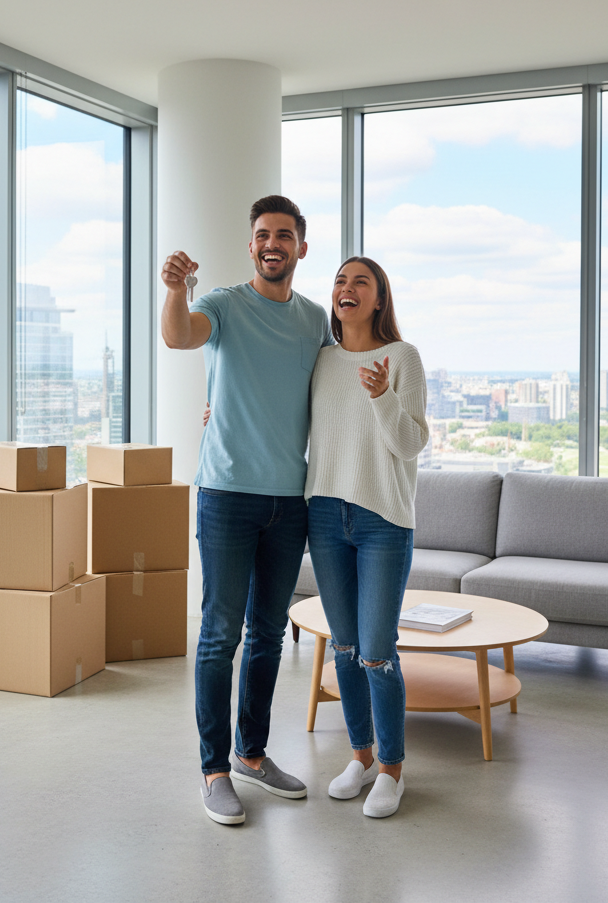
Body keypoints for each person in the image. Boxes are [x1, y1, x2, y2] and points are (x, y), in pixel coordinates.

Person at [160, 194, 331, 826]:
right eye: (262, 233)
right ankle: (213, 771)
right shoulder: (224, 305)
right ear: (251, 243)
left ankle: (252, 754)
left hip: (290, 500)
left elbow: (335, 391)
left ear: (300, 248)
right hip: (227, 495)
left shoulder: (315, 321)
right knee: (218, 636)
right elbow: (179, 336)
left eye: (284, 235)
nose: (272, 244)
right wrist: (177, 288)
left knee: (265, 636)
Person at [304, 256, 428, 819]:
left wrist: (382, 394)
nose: (346, 288)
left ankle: (393, 770)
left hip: (382, 520)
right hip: (326, 515)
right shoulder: (322, 360)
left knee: (378, 653)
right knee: (347, 649)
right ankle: (360, 756)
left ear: (379, 299)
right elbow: (292, 421)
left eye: (361, 281)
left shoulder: (402, 358)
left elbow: (409, 445)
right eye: (339, 280)